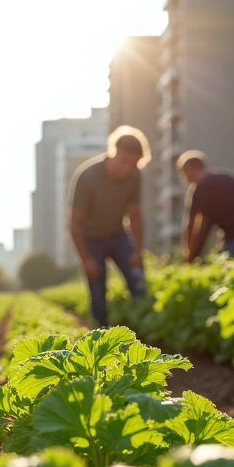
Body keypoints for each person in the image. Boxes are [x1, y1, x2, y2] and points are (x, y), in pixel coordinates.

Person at [69, 126, 149, 328]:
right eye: (125, 161)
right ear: (114, 152)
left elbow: (135, 215)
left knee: (138, 281)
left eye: (134, 164)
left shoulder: (135, 176)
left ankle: (144, 328)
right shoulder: (87, 176)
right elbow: (75, 223)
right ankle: (100, 331)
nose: (128, 168)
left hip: (117, 234)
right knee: (97, 292)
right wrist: (85, 259)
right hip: (91, 240)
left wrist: (137, 252)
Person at [178, 150, 234, 262]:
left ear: (191, 170)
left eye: (184, 174)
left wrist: (191, 257)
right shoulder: (225, 177)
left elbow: (195, 226)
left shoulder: (202, 185)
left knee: (220, 264)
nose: (185, 179)